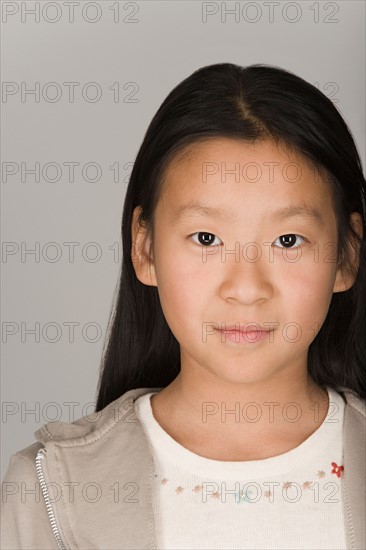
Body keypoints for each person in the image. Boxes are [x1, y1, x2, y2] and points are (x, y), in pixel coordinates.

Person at [1, 63, 365, 550]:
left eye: (287, 239)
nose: (246, 287)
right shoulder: (50, 487)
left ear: (346, 255)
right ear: (145, 249)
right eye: (207, 238)